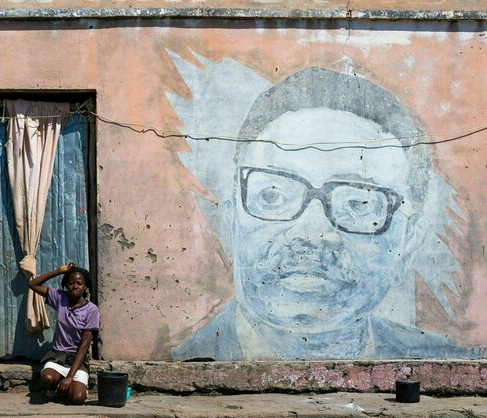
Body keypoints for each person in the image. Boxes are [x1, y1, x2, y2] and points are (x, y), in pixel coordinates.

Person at [172, 67, 483, 361]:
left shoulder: (436, 362)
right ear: (232, 222)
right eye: (272, 195)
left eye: (359, 204)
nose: (312, 232)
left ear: (409, 243)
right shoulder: (182, 364)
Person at [28, 263, 99, 405]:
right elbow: (32, 284)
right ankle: (56, 385)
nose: (75, 286)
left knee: (77, 398)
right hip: (57, 357)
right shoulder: (60, 298)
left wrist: (70, 377)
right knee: (47, 378)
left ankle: (69, 386)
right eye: (71, 283)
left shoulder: (91, 310)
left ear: (85, 286)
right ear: (66, 285)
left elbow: (84, 346)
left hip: (77, 361)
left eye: (80, 283)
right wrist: (58, 271)